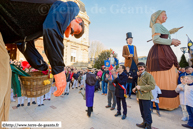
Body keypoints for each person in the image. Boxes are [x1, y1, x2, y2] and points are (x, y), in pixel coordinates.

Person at [146, 10, 181, 110]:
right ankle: (163, 102)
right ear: (157, 17)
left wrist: (170, 33)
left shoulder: (160, 26)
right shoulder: (156, 26)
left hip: (164, 50)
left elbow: (163, 35)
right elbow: (156, 39)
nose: (166, 17)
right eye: (164, 15)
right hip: (160, 52)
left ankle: (166, 101)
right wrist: (171, 41)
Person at [133, 62, 155, 129]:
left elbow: (152, 86)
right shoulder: (140, 75)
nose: (140, 68)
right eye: (139, 67)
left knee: (147, 112)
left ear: (145, 68)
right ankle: (144, 122)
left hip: (146, 97)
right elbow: (140, 85)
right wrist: (135, 88)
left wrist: (141, 88)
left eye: (142, 67)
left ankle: (148, 125)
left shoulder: (148, 75)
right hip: (140, 96)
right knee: (142, 111)